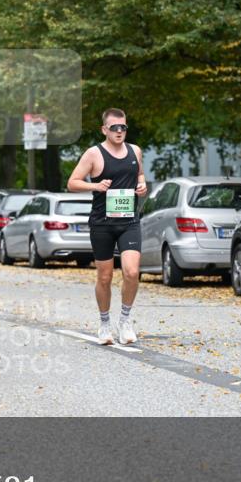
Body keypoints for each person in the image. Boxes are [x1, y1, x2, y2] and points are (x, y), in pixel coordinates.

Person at [67, 108, 147, 345]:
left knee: (131, 272)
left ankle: (125, 320)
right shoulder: (94, 154)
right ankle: (104, 324)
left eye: (123, 127)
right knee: (105, 276)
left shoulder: (135, 151)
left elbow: (140, 175)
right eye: (114, 127)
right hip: (102, 223)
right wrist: (96, 186)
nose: (119, 131)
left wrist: (142, 186)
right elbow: (72, 182)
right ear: (104, 129)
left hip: (129, 222)